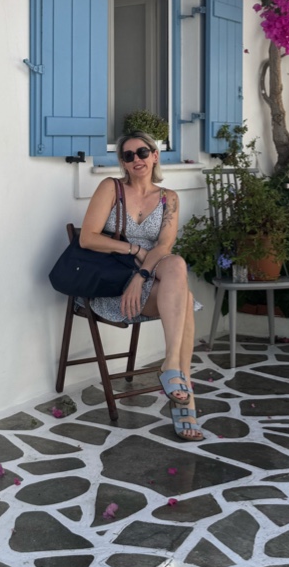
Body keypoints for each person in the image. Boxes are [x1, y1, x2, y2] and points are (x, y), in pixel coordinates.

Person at [79, 131, 202, 441]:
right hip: (114, 283)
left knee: (176, 263)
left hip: (148, 278)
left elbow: (164, 247)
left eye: (143, 152)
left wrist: (141, 276)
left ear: (155, 156)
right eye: (128, 155)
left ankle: (171, 365)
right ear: (123, 162)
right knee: (185, 300)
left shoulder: (169, 198)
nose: (137, 159)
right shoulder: (111, 188)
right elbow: (87, 238)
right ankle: (185, 399)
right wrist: (132, 249)